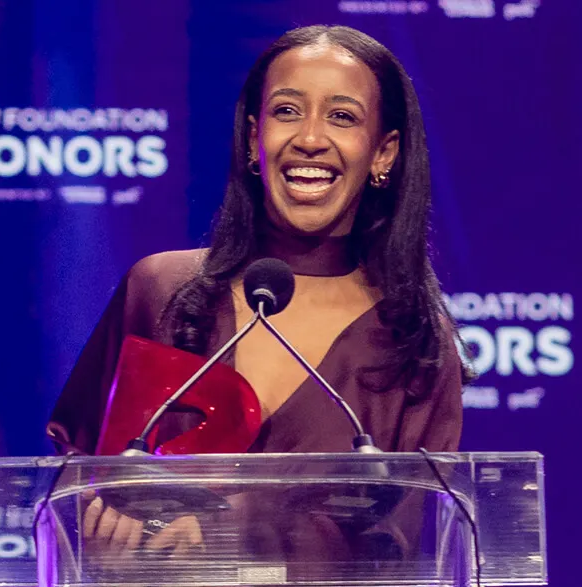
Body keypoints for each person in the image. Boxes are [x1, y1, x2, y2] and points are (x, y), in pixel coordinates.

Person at [48, 24, 468, 559]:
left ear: (384, 153)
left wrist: (241, 528)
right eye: (287, 111)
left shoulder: (414, 346)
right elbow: (70, 485)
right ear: (253, 140)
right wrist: (97, 528)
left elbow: (409, 548)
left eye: (342, 117)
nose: (310, 138)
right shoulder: (162, 293)